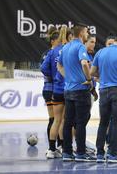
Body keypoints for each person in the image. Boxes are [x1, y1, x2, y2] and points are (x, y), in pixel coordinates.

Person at [91, 34, 117, 163]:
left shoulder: (101, 52)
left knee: (103, 122)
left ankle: (99, 153)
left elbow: (92, 72)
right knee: (116, 122)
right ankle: (113, 153)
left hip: (103, 90)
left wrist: (103, 75)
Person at [57, 24, 93, 162]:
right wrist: (88, 79)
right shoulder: (80, 47)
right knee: (80, 123)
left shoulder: (65, 47)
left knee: (68, 122)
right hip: (80, 90)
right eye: (86, 32)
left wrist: (68, 77)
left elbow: (58, 65)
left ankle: (66, 152)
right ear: (81, 33)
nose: (87, 34)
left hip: (68, 89)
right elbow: (84, 63)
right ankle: (81, 153)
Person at [41, 26, 70, 159]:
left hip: (54, 88)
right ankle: (63, 147)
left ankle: (53, 148)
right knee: (63, 120)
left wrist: (53, 76)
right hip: (66, 88)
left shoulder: (52, 52)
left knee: (55, 120)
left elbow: (43, 67)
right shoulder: (69, 49)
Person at [41, 29, 59, 145]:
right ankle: (52, 147)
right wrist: (55, 78)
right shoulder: (48, 54)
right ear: (52, 41)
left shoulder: (58, 52)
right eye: (59, 41)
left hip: (53, 88)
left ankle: (59, 146)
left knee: (58, 120)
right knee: (54, 119)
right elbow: (43, 69)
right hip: (51, 88)